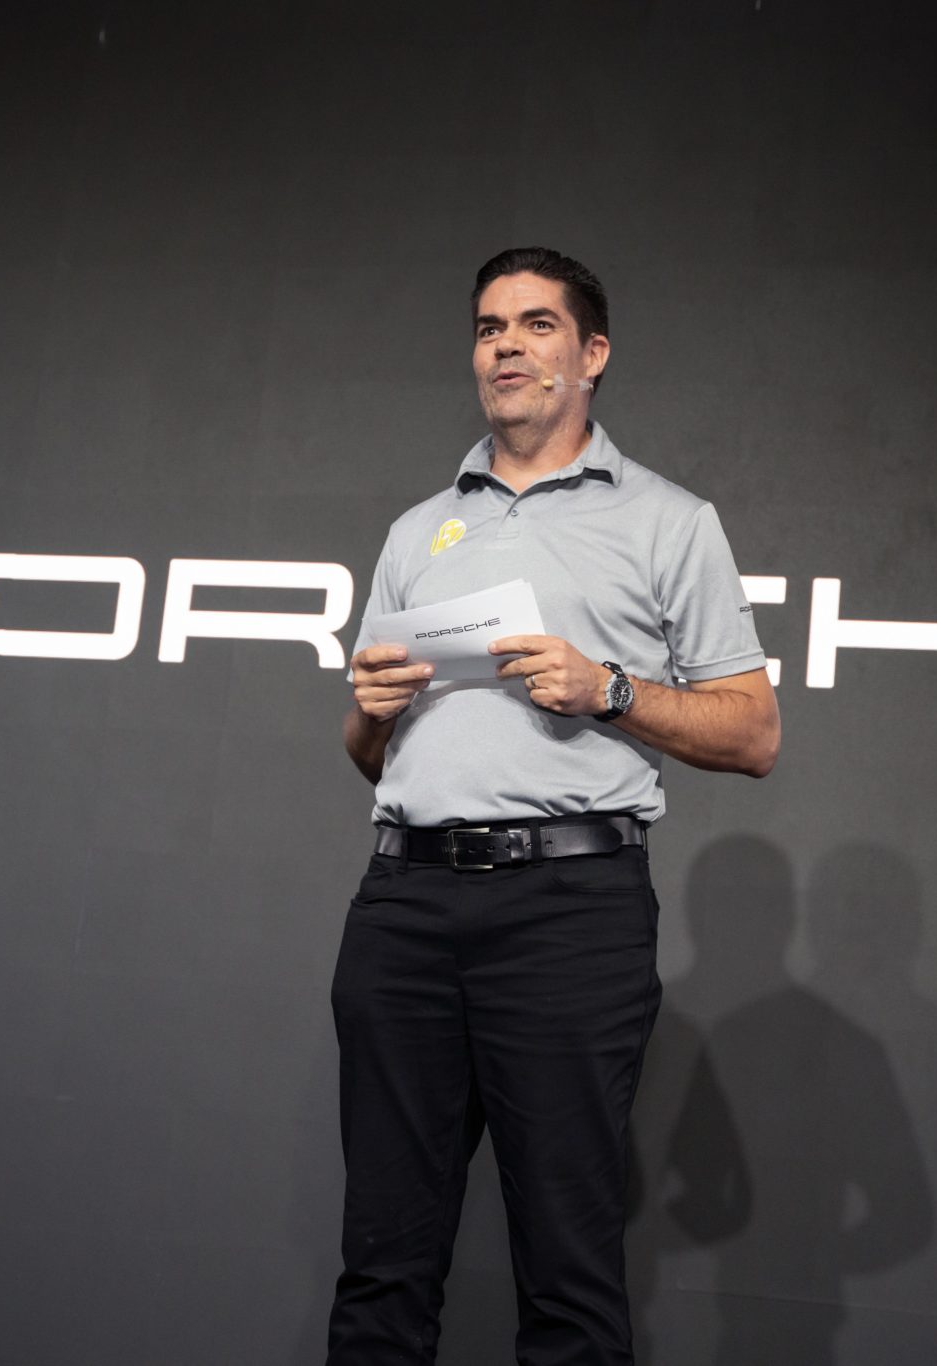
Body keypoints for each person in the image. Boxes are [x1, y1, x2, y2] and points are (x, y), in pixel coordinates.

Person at [327, 246, 780, 1365]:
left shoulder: (669, 519)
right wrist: (370, 712)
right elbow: (369, 754)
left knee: (569, 1279)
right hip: (404, 907)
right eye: (489, 328)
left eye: (536, 325)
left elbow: (753, 733)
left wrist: (607, 689)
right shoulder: (418, 529)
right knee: (381, 1268)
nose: (507, 347)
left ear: (592, 353)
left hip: (569, 911)